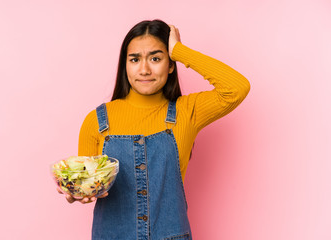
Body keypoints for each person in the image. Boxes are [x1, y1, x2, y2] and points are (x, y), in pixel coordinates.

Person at [58, 19, 250, 239]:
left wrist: (180, 51)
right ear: (125, 65)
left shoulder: (186, 112)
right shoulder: (97, 121)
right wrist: (78, 191)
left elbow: (237, 88)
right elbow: (87, 183)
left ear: (170, 65)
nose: (145, 69)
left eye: (156, 58)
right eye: (135, 59)